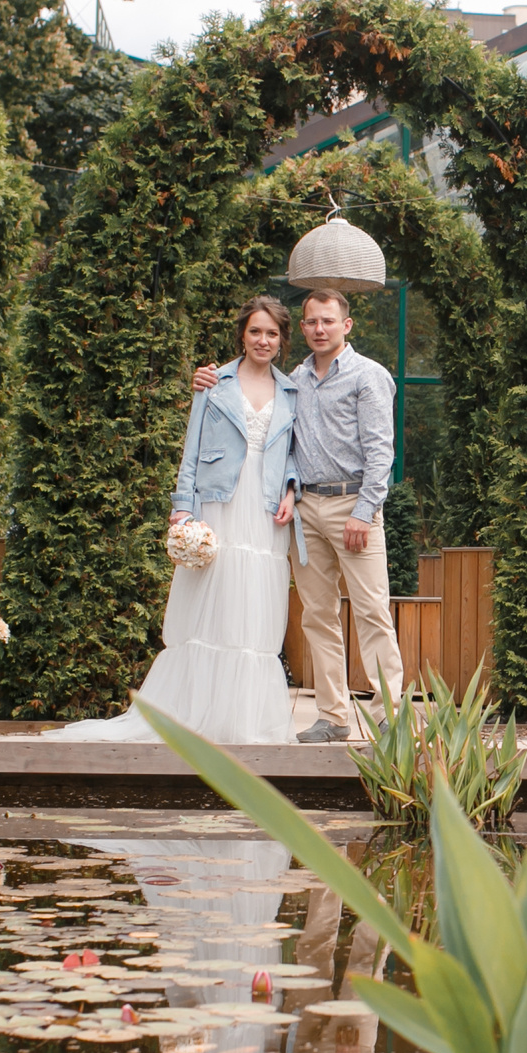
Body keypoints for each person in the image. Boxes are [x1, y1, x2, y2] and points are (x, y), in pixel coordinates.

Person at [53, 296, 299, 742]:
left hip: (265, 511)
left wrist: (290, 489)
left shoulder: (291, 391)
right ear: (242, 335)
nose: (263, 340)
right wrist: (183, 507)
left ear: (282, 340)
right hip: (219, 504)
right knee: (212, 609)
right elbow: (192, 449)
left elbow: (294, 453)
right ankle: (194, 714)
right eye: (255, 331)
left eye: (272, 333)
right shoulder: (214, 383)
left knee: (254, 613)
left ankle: (243, 721)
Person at [193, 286, 400, 742]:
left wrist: (364, 511)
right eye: (312, 321)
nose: (320, 329)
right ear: (303, 327)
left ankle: (388, 719)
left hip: (354, 507)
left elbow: (381, 452)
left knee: (371, 612)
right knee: (318, 616)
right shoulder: (294, 381)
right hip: (306, 509)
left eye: (329, 321)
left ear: (346, 325)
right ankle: (333, 717)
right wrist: (207, 378)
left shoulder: (369, 376)